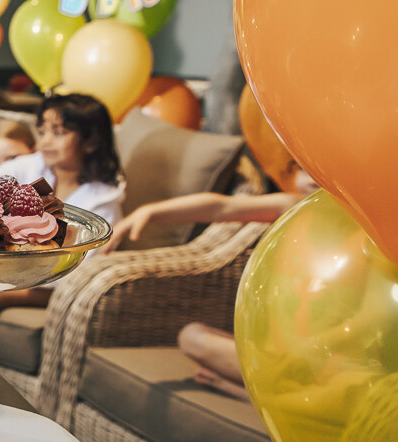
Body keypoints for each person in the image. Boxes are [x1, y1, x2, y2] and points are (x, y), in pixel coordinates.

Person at [98, 169, 317, 399]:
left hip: (320, 361)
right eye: (305, 170)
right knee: (193, 337)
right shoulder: (295, 206)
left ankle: (247, 392)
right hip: (276, 352)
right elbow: (220, 207)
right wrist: (150, 211)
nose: (313, 178)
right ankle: (264, 389)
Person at [0, 93, 125, 352]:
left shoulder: (104, 200)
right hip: (21, 270)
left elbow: (81, 268)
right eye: (42, 131)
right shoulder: (37, 166)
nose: (45, 141)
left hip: (59, 283)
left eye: (59, 132)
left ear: (91, 141)